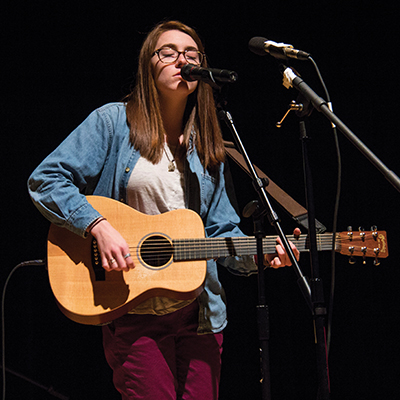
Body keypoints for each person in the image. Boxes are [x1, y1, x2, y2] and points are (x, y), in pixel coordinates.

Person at [28, 20, 300, 400]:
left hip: (201, 315)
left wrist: (264, 252)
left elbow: (221, 234)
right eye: (168, 52)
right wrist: (97, 225)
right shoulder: (113, 122)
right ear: (148, 65)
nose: (181, 60)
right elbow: (46, 179)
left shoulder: (208, 147)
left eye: (191, 54)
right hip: (134, 312)